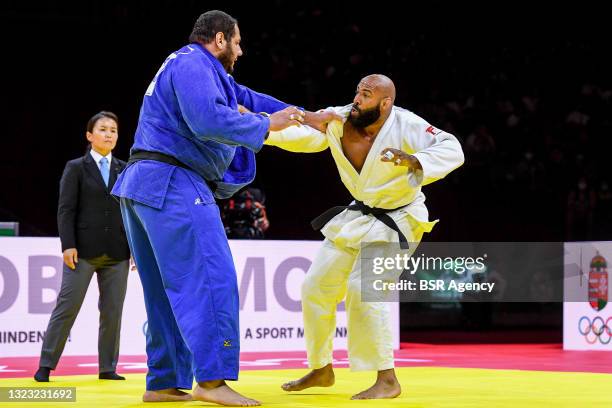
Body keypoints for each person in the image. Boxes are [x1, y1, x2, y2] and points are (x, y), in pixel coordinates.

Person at [111, 10, 334, 406]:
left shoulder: (197, 70)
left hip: (142, 185)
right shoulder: (193, 62)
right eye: (237, 41)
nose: (241, 50)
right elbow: (207, 120)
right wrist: (266, 125)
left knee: (165, 291)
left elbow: (248, 99)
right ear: (218, 39)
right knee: (211, 278)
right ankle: (212, 381)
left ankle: (163, 381)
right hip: (172, 182)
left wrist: (307, 115)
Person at [264, 74, 464, 399]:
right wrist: (261, 129)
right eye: (357, 91)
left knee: (364, 289)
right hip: (360, 215)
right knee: (315, 286)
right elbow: (304, 135)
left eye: (366, 94)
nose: (357, 99)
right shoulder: (341, 119)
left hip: (400, 216)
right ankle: (321, 367)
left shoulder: (406, 124)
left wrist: (417, 160)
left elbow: (452, 147)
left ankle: (387, 378)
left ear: (385, 103)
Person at [35, 111, 129, 382]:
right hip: (82, 251)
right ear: (90, 136)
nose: (109, 133)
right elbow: (66, 210)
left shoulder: (124, 169)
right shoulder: (75, 167)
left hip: (118, 252)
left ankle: (107, 368)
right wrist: (68, 245)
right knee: (67, 307)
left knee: (112, 312)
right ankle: (46, 364)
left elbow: (131, 212)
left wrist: (134, 247)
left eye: (113, 130)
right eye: (103, 129)